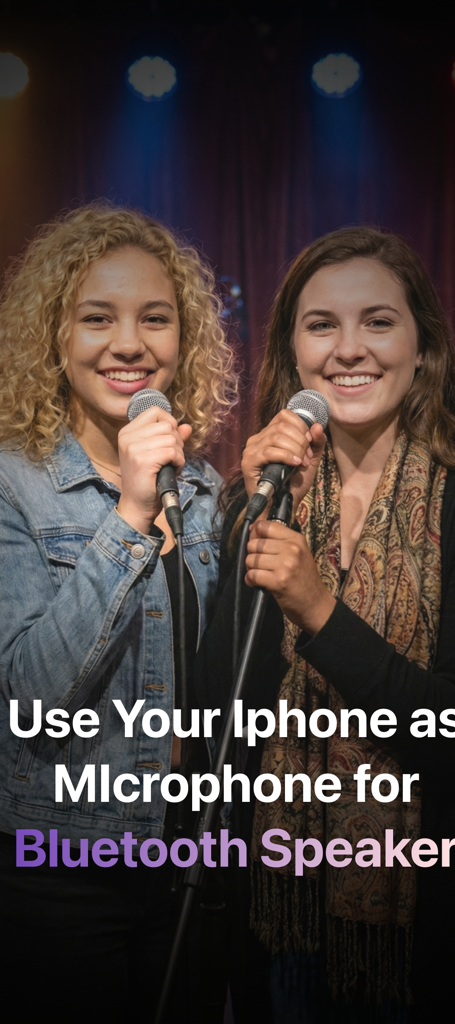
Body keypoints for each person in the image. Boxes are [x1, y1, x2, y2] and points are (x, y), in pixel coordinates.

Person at [195, 226, 455, 1022]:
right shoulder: (257, 496)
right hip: (278, 915)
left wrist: (318, 610)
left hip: (422, 925)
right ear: (294, 352)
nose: (349, 348)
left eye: (378, 321)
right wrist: (256, 515)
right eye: (322, 325)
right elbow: (219, 718)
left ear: (423, 345)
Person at [0, 203, 236, 1023]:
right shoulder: (14, 484)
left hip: (189, 864)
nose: (129, 343)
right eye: (97, 317)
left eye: (155, 319)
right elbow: (31, 698)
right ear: (55, 338)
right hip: (59, 871)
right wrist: (130, 515)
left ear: (183, 341)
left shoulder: (203, 488)